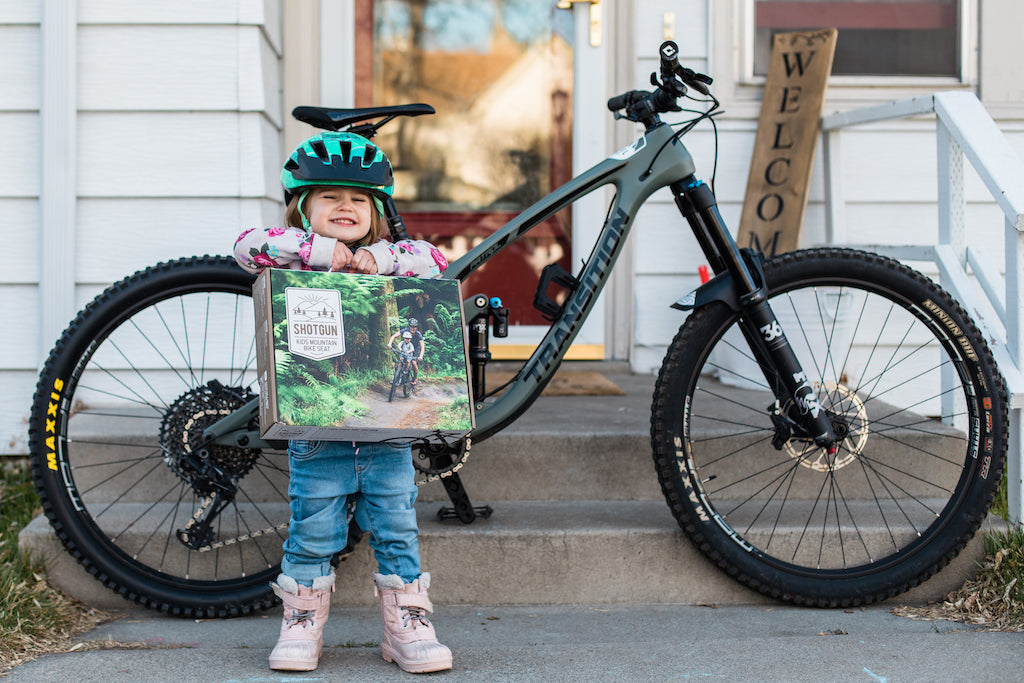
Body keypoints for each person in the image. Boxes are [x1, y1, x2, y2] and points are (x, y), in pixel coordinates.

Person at [233, 130, 453, 674]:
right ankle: (302, 623)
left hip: (386, 434)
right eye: (329, 197)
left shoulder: (393, 258)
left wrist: (379, 258)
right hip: (318, 432)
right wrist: (315, 250)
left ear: (377, 213)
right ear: (303, 208)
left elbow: (436, 259)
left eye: (359, 199)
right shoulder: (295, 261)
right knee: (313, 529)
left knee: (397, 528)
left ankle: (407, 626)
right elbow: (244, 246)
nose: (345, 206)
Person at [388, 318, 424, 384]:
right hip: (405, 347)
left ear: (416, 327)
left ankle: (414, 378)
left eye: (415, 327)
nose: (413, 328)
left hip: (415, 349)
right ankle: (395, 376)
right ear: (409, 326)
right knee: (400, 360)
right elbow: (394, 336)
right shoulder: (405, 330)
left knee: (413, 363)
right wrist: (390, 344)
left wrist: (420, 356)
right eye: (411, 326)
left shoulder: (418, 334)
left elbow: (422, 346)